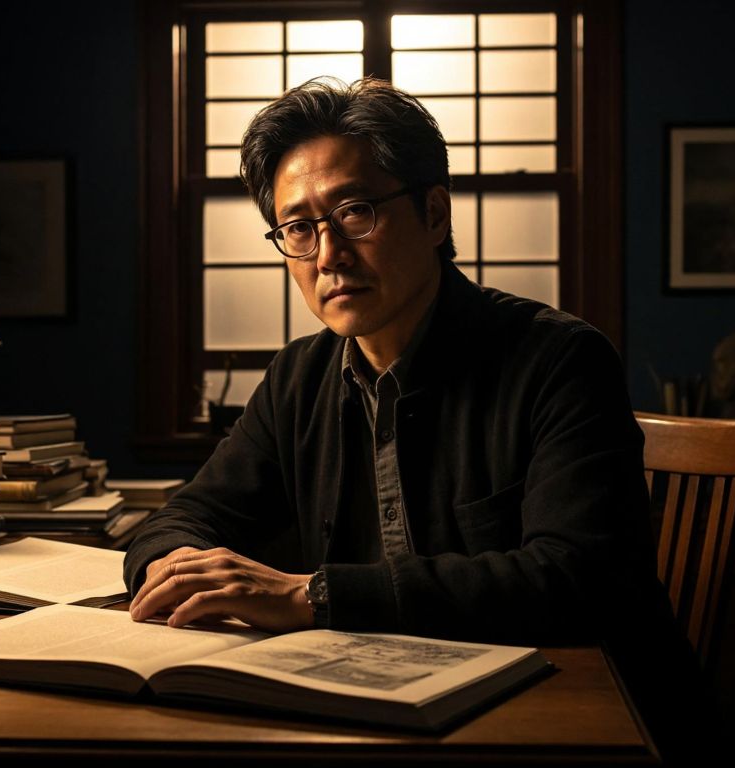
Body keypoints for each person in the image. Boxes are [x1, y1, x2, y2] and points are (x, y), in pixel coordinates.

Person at [125, 77, 704, 760]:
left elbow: (577, 580)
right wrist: (178, 568)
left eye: (356, 212)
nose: (328, 255)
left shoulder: (560, 360)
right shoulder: (297, 378)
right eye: (299, 228)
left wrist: (312, 594)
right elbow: (179, 520)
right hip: (384, 713)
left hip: (578, 727)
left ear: (434, 214)